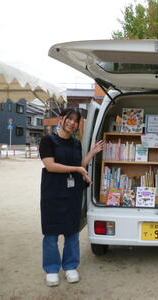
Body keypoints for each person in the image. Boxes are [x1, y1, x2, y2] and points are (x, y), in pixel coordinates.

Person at [39, 108, 104, 287]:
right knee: (51, 233)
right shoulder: (48, 140)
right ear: (62, 119)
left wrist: (91, 153)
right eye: (70, 119)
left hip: (72, 193)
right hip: (52, 193)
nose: (72, 123)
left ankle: (70, 266)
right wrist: (77, 170)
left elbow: (80, 165)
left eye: (76, 121)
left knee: (72, 232)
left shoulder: (76, 143)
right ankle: (52, 269)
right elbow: (50, 166)